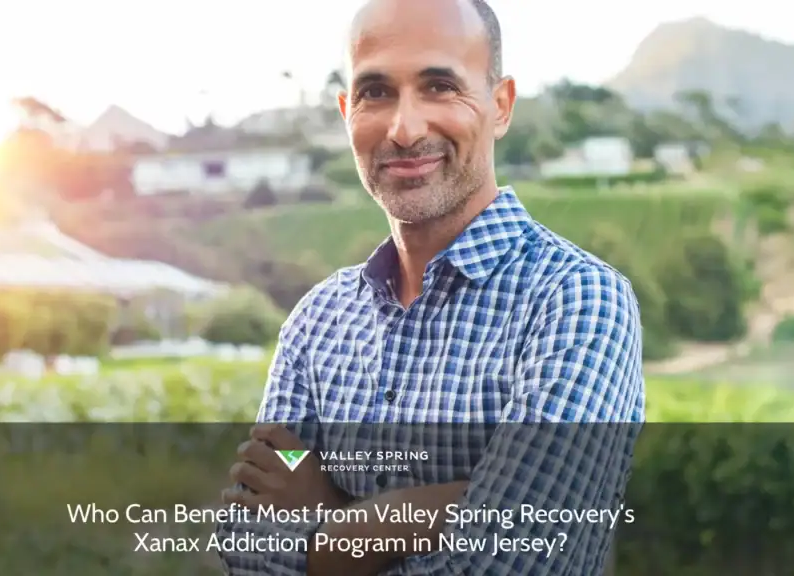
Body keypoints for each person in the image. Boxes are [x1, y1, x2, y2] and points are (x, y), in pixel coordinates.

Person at [216, 0, 645, 574]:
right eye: (375, 92)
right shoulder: (317, 321)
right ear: (347, 113)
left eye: (440, 86)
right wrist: (426, 514)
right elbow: (250, 542)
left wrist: (339, 521)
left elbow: (514, 564)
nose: (404, 128)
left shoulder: (577, 302)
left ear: (500, 105)